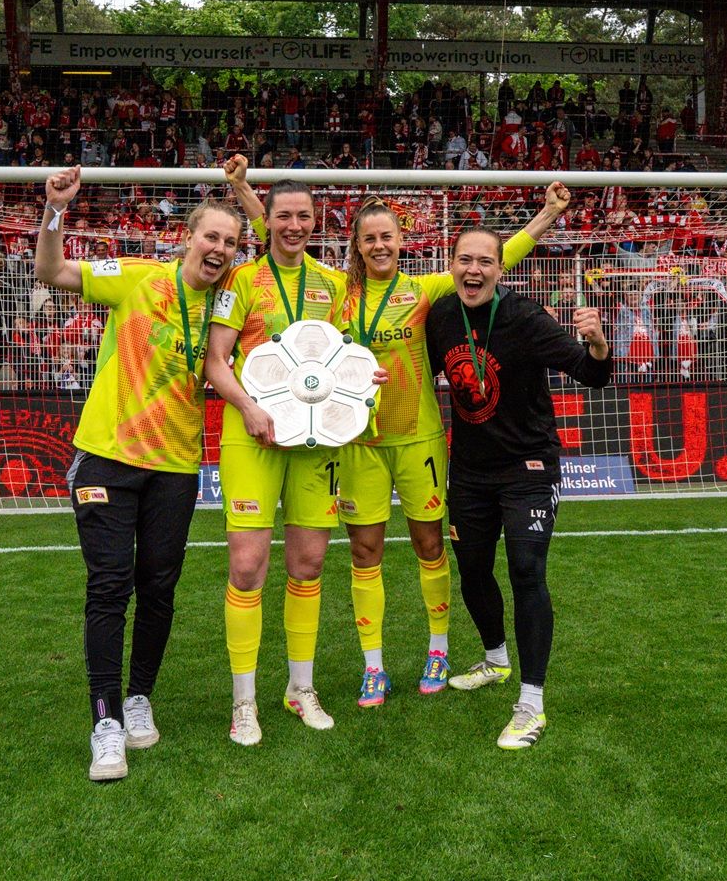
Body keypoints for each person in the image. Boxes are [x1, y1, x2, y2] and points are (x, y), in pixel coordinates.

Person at [224, 157, 570, 705]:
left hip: (419, 438)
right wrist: (243, 189)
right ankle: (373, 665)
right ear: (357, 247)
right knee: (365, 552)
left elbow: (499, 256)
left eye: (387, 236)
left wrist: (547, 214)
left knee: (430, 544)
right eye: (369, 239)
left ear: (400, 239)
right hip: (358, 441)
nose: (379, 246)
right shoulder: (338, 291)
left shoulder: (429, 289)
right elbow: (277, 239)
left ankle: (438, 650)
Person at [34, 166, 243, 782]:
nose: (220, 250)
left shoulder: (229, 305)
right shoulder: (138, 278)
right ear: (187, 238)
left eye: (231, 243)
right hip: (107, 457)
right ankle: (104, 722)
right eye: (212, 237)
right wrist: (54, 211)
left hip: (176, 468)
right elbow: (53, 272)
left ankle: (138, 698)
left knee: (158, 587)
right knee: (109, 586)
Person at [203, 173, 375, 746]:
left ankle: (300, 689)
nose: (295, 226)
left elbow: (344, 358)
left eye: (304, 217)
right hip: (252, 437)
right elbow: (216, 361)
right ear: (267, 220)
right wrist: (250, 408)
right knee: (248, 568)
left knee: (307, 565)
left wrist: (363, 375)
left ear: (314, 221)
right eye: (284, 217)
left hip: (317, 443)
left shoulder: (332, 284)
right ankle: (244, 702)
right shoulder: (240, 280)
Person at [426, 227, 612, 750]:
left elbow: (591, 375)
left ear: (500, 270)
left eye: (485, 261)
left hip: (527, 468)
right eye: (465, 260)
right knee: (472, 569)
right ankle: (495, 659)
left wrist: (597, 344)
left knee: (527, 571)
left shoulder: (525, 318)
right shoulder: (440, 316)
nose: (474, 271)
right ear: (452, 264)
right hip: (467, 469)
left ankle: (531, 705)